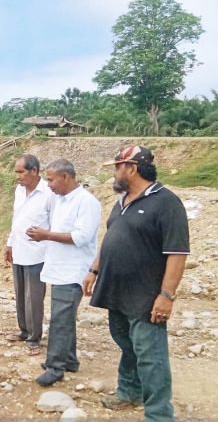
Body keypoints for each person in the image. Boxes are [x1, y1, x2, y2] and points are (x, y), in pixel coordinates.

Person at [84, 145, 189, 421]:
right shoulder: (122, 202)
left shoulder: (166, 202)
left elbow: (177, 253)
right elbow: (110, 239)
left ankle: (159, 414)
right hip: (116, 290)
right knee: (127, 344)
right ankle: (129, 392)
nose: (114, 172)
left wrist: (166, 295)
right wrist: (94, 270)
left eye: (117, 167)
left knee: (150, 354)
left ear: (132, 168)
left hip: (145, 295)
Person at [26, 158, 101, 387]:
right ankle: (69, 360)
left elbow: (81, 237)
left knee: (60, 319)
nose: (48, 184)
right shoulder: (61, 200)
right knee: (64, 317)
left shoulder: (86, 202)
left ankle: (55, 367)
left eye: (51, 179)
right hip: (59, 268)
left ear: (66, 177)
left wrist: (46, 235)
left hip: (74, 270)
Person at [4, 154, 51, 356]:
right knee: (20, 293)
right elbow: (17, 219)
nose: (18, 176)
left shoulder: (49, 193)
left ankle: (34, 337)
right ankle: (24, 330)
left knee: (34, 297)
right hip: (19, 249)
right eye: (16, 172)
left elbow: (55, 222)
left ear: (34, 171)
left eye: (21, 171)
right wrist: (10, 243)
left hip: (38, 253)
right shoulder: (19, 191)